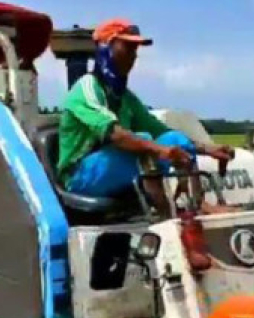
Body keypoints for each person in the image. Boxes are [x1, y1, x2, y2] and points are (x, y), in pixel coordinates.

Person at [56, 18, 234, 215]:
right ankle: (166, 215)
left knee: (176, 139)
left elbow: (161, 131)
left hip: (112, 166)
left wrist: (208, 149)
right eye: (128, 47)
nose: (133, 57)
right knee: (144, 142)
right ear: (106, 48)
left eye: (135, 50)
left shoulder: (125, 98)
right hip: (80, 176)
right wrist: (160, 151)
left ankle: (197, 204)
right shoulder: (86, 89)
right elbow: (116, 136)